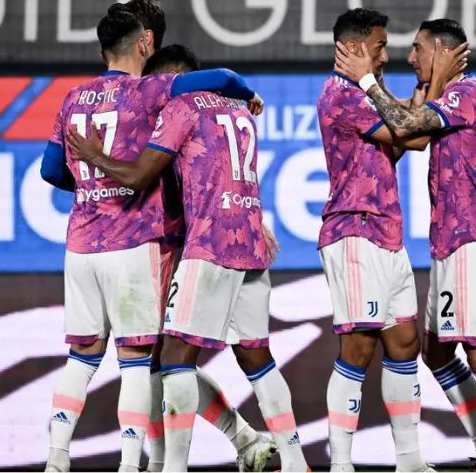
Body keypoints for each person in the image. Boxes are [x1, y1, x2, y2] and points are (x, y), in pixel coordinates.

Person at [39, 5, 263, 472]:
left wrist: (94, 186)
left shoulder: (72, 98)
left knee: (83, 356)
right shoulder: (150, 91)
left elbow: (50, 170)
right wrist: (248, 93)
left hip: (80, 244)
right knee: (142, 360)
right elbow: (224, 77)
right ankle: (134, 464)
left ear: (101, 51)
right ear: (144, 43)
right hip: (136, 243)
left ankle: (56, 459)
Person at [65, 44, 308, 472]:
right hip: (250, 243)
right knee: (256, 357)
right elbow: (218, 174)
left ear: (171, 79)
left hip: (206, 247)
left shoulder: (180, 108)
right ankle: (294, 461)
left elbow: (139, 175)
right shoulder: (239, 110)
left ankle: (172, 467)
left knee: (171, 359)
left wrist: (93, 156)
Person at [335, 18, 476, 472]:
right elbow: (413, 116)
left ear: (441, 51)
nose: (408, 57)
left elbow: (405, 125)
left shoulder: (466, 93)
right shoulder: (449, 95)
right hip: (446, 244)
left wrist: (366, 79)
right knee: (437, 352)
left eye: (418, 49)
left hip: (471, 240)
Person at [119, 0, 275, 473]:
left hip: (178, 241)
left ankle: (168, 462)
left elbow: (217, 164)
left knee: (161, 358)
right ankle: (241, 441)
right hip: (151, 238)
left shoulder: (169, 91)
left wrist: (249, 219)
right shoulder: (135, 92)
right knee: (159, 360)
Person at [315, 8, 437, 473]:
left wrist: (422, 89)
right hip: (354, 230)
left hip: (387, 231)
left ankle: (410, 460)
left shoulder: (366, 93)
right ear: (354, 48)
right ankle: (341, 463)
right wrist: (385, 88)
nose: (386, 56)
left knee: (404, 343)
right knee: (359, 348)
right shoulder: (342, 95)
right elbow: (412, 134)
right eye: (380, 46)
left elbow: (404, 141)